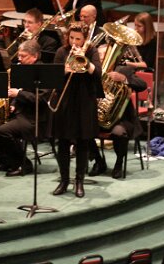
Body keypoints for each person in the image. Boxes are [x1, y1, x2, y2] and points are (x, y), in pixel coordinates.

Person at [51, 23, 103, 198]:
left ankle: (79, 181)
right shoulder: (61, 52)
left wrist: (84, 61)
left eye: (78, 39)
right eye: (71, 37)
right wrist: (64, 70)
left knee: (82, 142)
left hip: (84, 101)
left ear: (85, 39)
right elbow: (54, 77)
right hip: (65, 101)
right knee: (63, 142)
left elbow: (98, 74)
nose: (74, 42)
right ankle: (64, 180)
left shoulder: (91, 51)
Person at [0, 40, 46, 177]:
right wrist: (13, 104)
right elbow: (21, 90)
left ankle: (24, 164)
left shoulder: (43, 72)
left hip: (35, 118)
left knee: (2, 131)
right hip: (21, 112)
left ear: (35, 56)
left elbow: (41, 99)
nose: (19, 59)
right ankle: (7, 161)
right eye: (19, 55)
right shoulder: (23, 69)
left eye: (23, 56)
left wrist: (18, 94)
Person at [92, 57, 146, 179]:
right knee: (82, 129)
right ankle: (99, 161)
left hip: (121, 119)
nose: (102, 57)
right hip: (97, 117)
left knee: (119, 132)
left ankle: (118, 163)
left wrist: (124, 79)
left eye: (104, 54)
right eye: (99, 55)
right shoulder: (92, 71)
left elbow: (142, 85)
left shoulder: (123, 70)